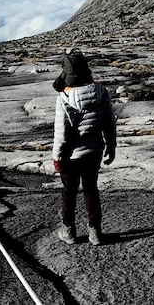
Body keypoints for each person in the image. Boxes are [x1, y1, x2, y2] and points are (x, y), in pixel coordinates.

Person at [51, 49, 116, 246]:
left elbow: (62, 133)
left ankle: (68, 231)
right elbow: (109, 122)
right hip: (94, 151)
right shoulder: (102, 92)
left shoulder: (63, 98)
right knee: (91, 190)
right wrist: (111, 146)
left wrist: (57, 157)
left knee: (68, 192)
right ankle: (95, 232)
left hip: (70, 156)